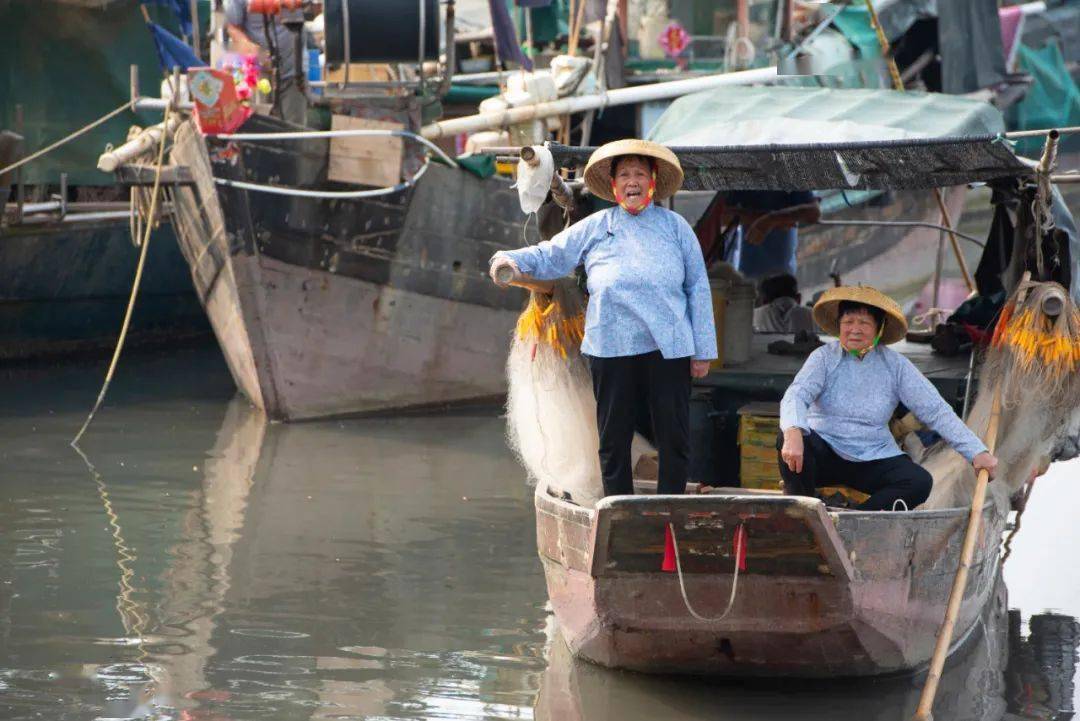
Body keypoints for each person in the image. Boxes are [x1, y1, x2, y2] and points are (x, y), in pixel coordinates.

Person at [489, 139, 717, 497]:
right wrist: (509, 259)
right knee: (613, 437)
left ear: (652, 181)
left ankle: (669, 503)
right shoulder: (598, 225)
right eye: (624, 174)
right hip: (611, 345)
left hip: (669, 346)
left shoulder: (676, 227)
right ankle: (619, 506)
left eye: (640, 173)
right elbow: (553, 254)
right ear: (613, 186)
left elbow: (698, 289)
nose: (632, 181)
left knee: (674, 436)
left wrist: (703, 350)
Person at [777, 286, 998, 511]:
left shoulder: (895, 365)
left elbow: (935, 410)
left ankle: (855, 519)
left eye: (864, 323)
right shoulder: (823, 357)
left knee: (919, 482)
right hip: (825, 453)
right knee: (792, 438)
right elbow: (796, 394)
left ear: (879, 328)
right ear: (839, 325)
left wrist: (976, 452)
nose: (854, 330)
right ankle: (803, 512)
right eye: (848, 322)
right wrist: (793, 430)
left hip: (872, 456)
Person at [225, 0, 307, 125]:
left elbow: (313, 7)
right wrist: (244, 43)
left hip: (293, 72)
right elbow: (233, 26)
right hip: (257, 76)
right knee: (257, 127)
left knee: (295, 130)